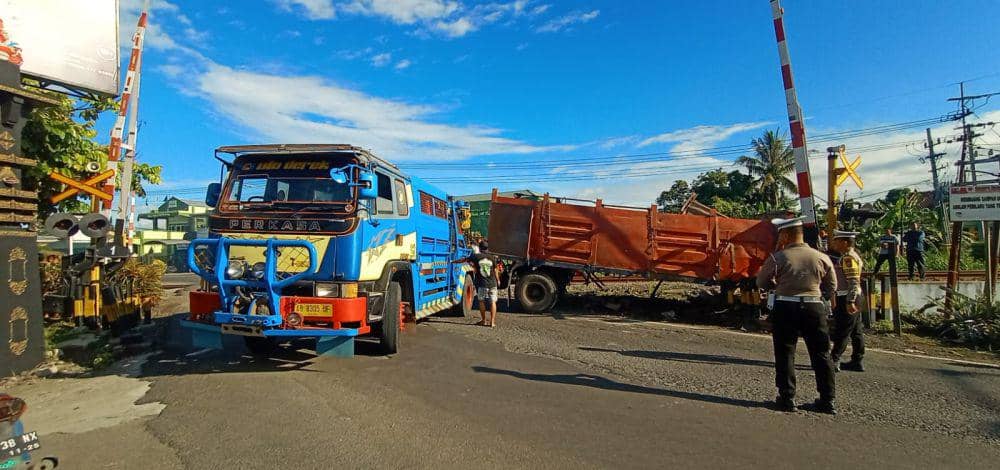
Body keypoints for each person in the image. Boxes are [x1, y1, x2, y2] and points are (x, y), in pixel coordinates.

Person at [757, 217, 837, 414]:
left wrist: (777, 284)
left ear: (785, 235)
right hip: (814, 307)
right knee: (821, 353)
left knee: (785, 352)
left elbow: (761, 282)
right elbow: (832, 286)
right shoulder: (821, 257)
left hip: (786, 306)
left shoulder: (779, 257)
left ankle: (787, 398)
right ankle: (827, 400)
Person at [828, 230, 865, 372]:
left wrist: (850, 301)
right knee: (856, 330)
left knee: (843, 330)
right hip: (853, 296)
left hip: (847, 297)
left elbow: (853, 281)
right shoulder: (850, 256)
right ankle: (857, 360)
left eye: (837, 240)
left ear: (845, 242)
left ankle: (834, 359)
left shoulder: (848, 258)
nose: (834, 243)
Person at [461, 240, 499, 327]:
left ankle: (483, 320)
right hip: (493, 283)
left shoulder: (476, 256)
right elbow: (496, 269)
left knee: (481, 301)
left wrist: (453, 261)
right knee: (493, 302)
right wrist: (498, 280)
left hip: (482, 283)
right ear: (487, 248)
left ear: (480, 248)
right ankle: (492, 322)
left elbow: (465, 260)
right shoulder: (492, 257)